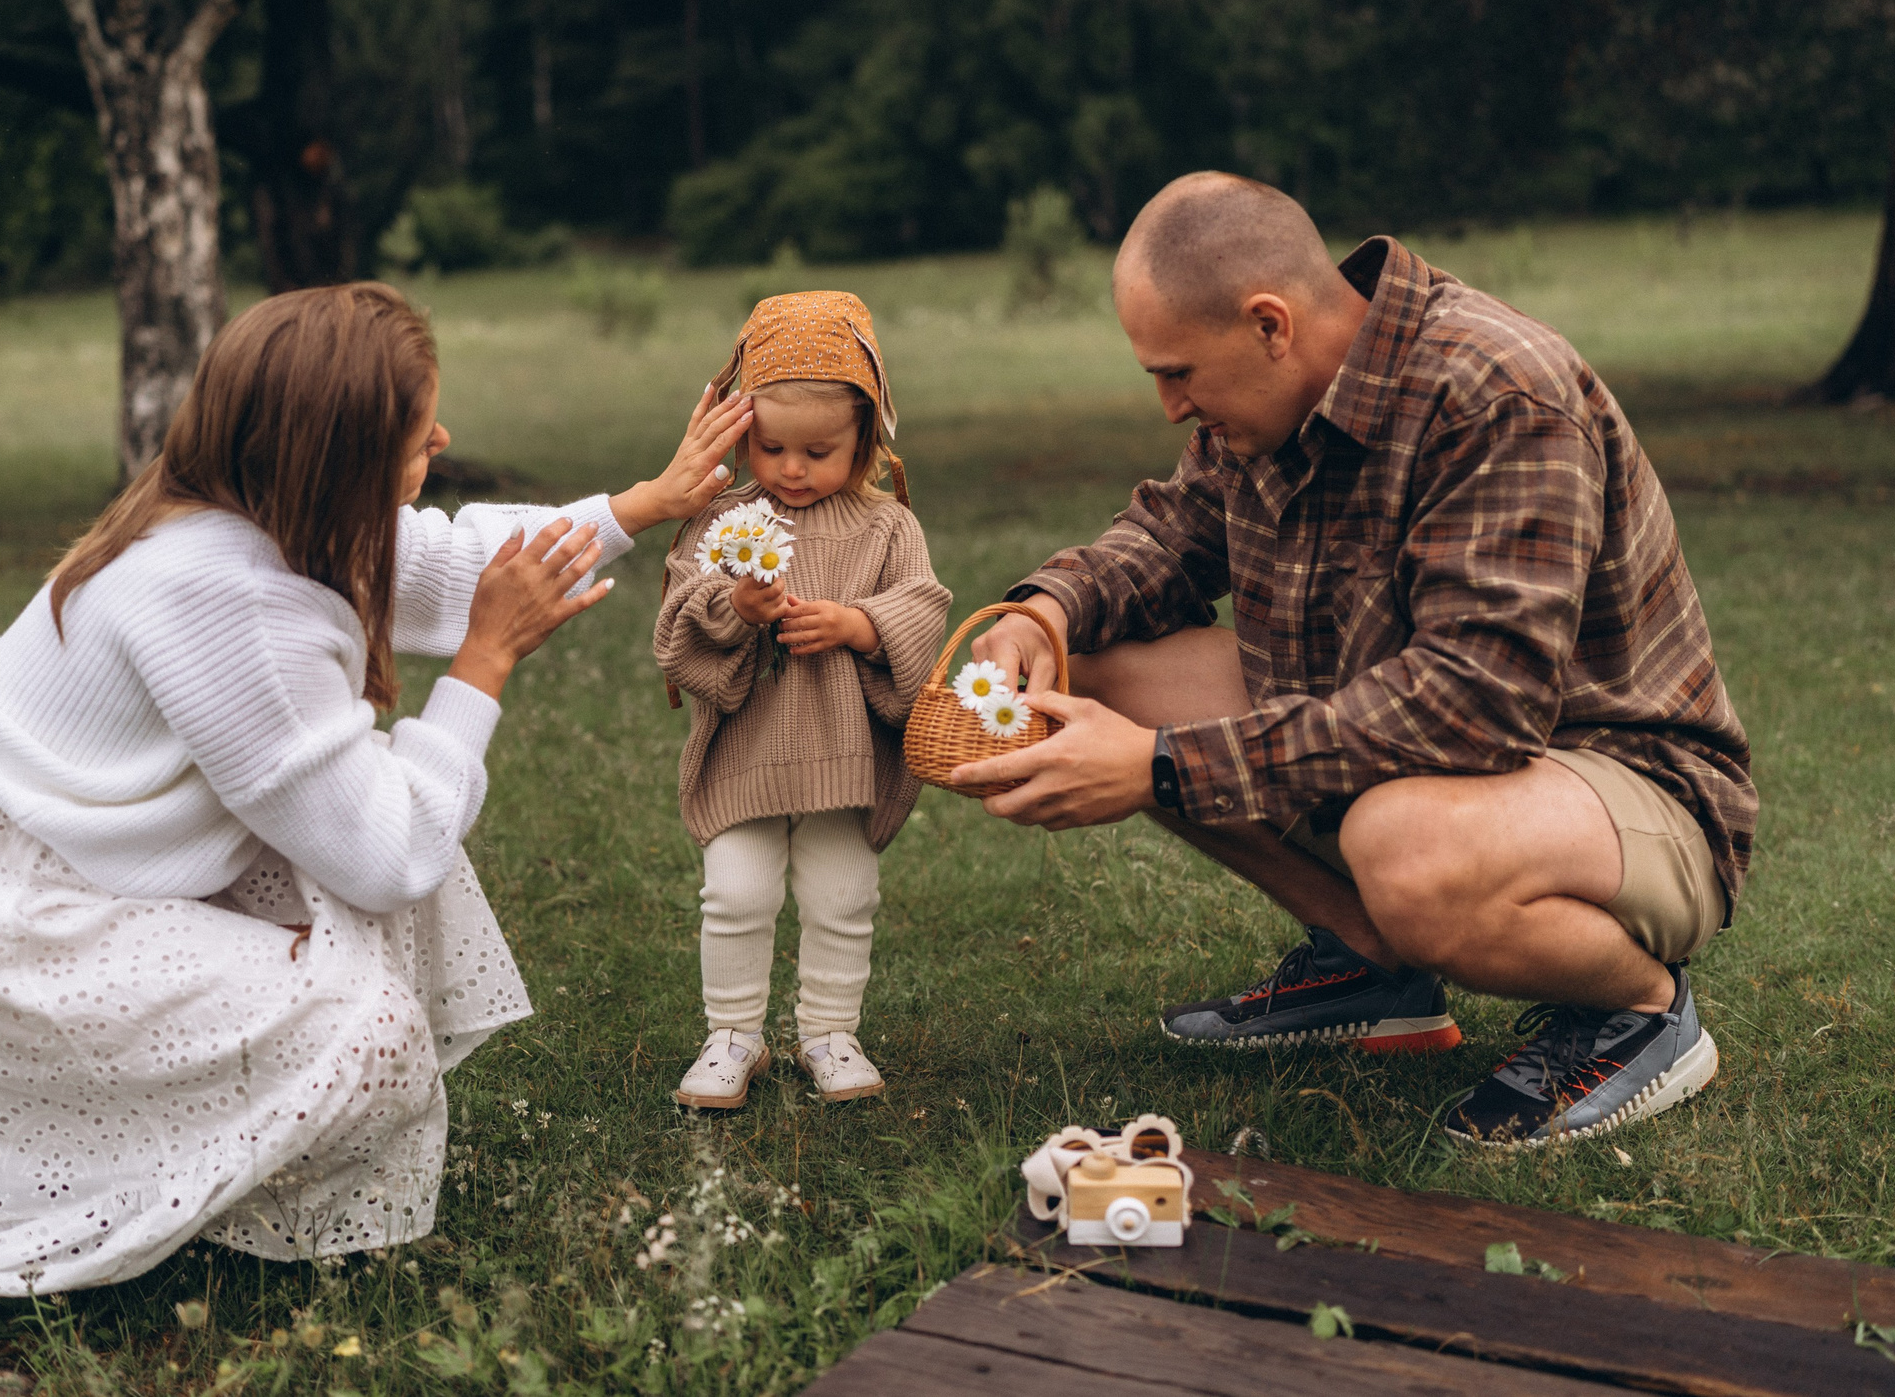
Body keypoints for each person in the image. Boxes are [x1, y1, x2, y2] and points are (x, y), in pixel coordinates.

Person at [0, 282, 752, 1315]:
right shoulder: (224, 597)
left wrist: (639, 505)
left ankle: (218, 1140)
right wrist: (484, 669)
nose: (443, 439)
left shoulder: (251, 511)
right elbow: (389, 853)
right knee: (371, 1003)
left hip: (41, 863)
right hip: (0, 927)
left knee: (382, 838)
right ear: (333, 456)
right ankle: (146, 1184)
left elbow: (441, 560)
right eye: (415, 428)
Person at [956, 174, 1756, 1147]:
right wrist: (1042, 612)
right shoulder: (1260, 404)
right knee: (1094, 673)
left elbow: (1475, 705)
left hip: (1625, 789)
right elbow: (1167, 539)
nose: (1169, 407)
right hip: (1417, 754)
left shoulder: (1499, 393)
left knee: (1403, 843)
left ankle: (1637, 1013)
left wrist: (1158, 767)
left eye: (1176, 373)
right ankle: (1375, 969)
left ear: (1268, 324)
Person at [654, 292, 952, 1109]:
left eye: (819, 449)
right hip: (751, 750)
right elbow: (678, 618)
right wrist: (735, 609)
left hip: (842, 757)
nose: (791, 468)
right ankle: (733, 1034)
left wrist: (860, 623)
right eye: (771, 445)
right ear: (741, 428)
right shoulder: (724, 519)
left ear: (866, 438)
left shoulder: (887, 526)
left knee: (843, 893)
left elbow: (923, 606)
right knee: (737, 891)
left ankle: (829, 1029)